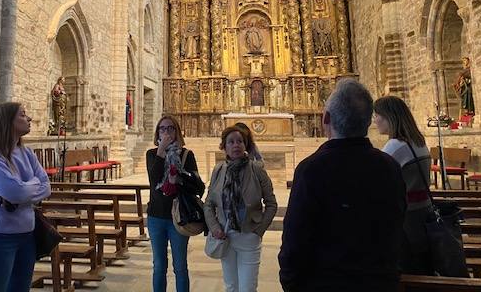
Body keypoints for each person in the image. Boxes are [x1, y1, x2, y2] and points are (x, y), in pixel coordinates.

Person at [279, 78, 406, 292]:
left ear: (326, 118)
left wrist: (291, 283)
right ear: (368, 121)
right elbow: (397, 222)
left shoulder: (311, 170)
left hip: (325, 284)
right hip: (380, 282)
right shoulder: (390, 166)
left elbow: (295, 242)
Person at [0, 102, 51, 292]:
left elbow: (47, 187)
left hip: (27, 237)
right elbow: (16, 193)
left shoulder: (26, 152)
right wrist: (30, 184)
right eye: (23, 115)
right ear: (6, 122)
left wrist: (23, 188)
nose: (29, 118)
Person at [204, 126, 277, 292]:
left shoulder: (257, 170)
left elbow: (271, 203)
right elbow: (208, 204)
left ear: (245, 145)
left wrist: (259, 231)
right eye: (231, 142)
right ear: (224, 147)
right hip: (225, 236)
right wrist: (215, 228)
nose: (236, 145)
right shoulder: (218, 170)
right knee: (231, 287)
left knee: (247, 288)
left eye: (240, 141)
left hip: (249, 236)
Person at [375, 95, 433, 275]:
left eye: (377, 115)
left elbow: (375, 180)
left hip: (407, 219)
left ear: (389, 117)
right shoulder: (418, 141)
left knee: (408, 270)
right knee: (422, 267)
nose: (374, 120)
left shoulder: (394, 147)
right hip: (424, 213)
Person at [146, 115, 202, 292]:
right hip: (156, 216)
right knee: (159, 266)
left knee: (180, 266)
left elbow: (199, 186)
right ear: (157, 133)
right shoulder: (151, 154)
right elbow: (154, 180)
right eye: (162, 128)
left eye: (170, 128)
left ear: (177, 132)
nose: (166, 132)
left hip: (178, 216)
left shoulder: (187, 155)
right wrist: (161, 150)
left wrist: (180, 178)